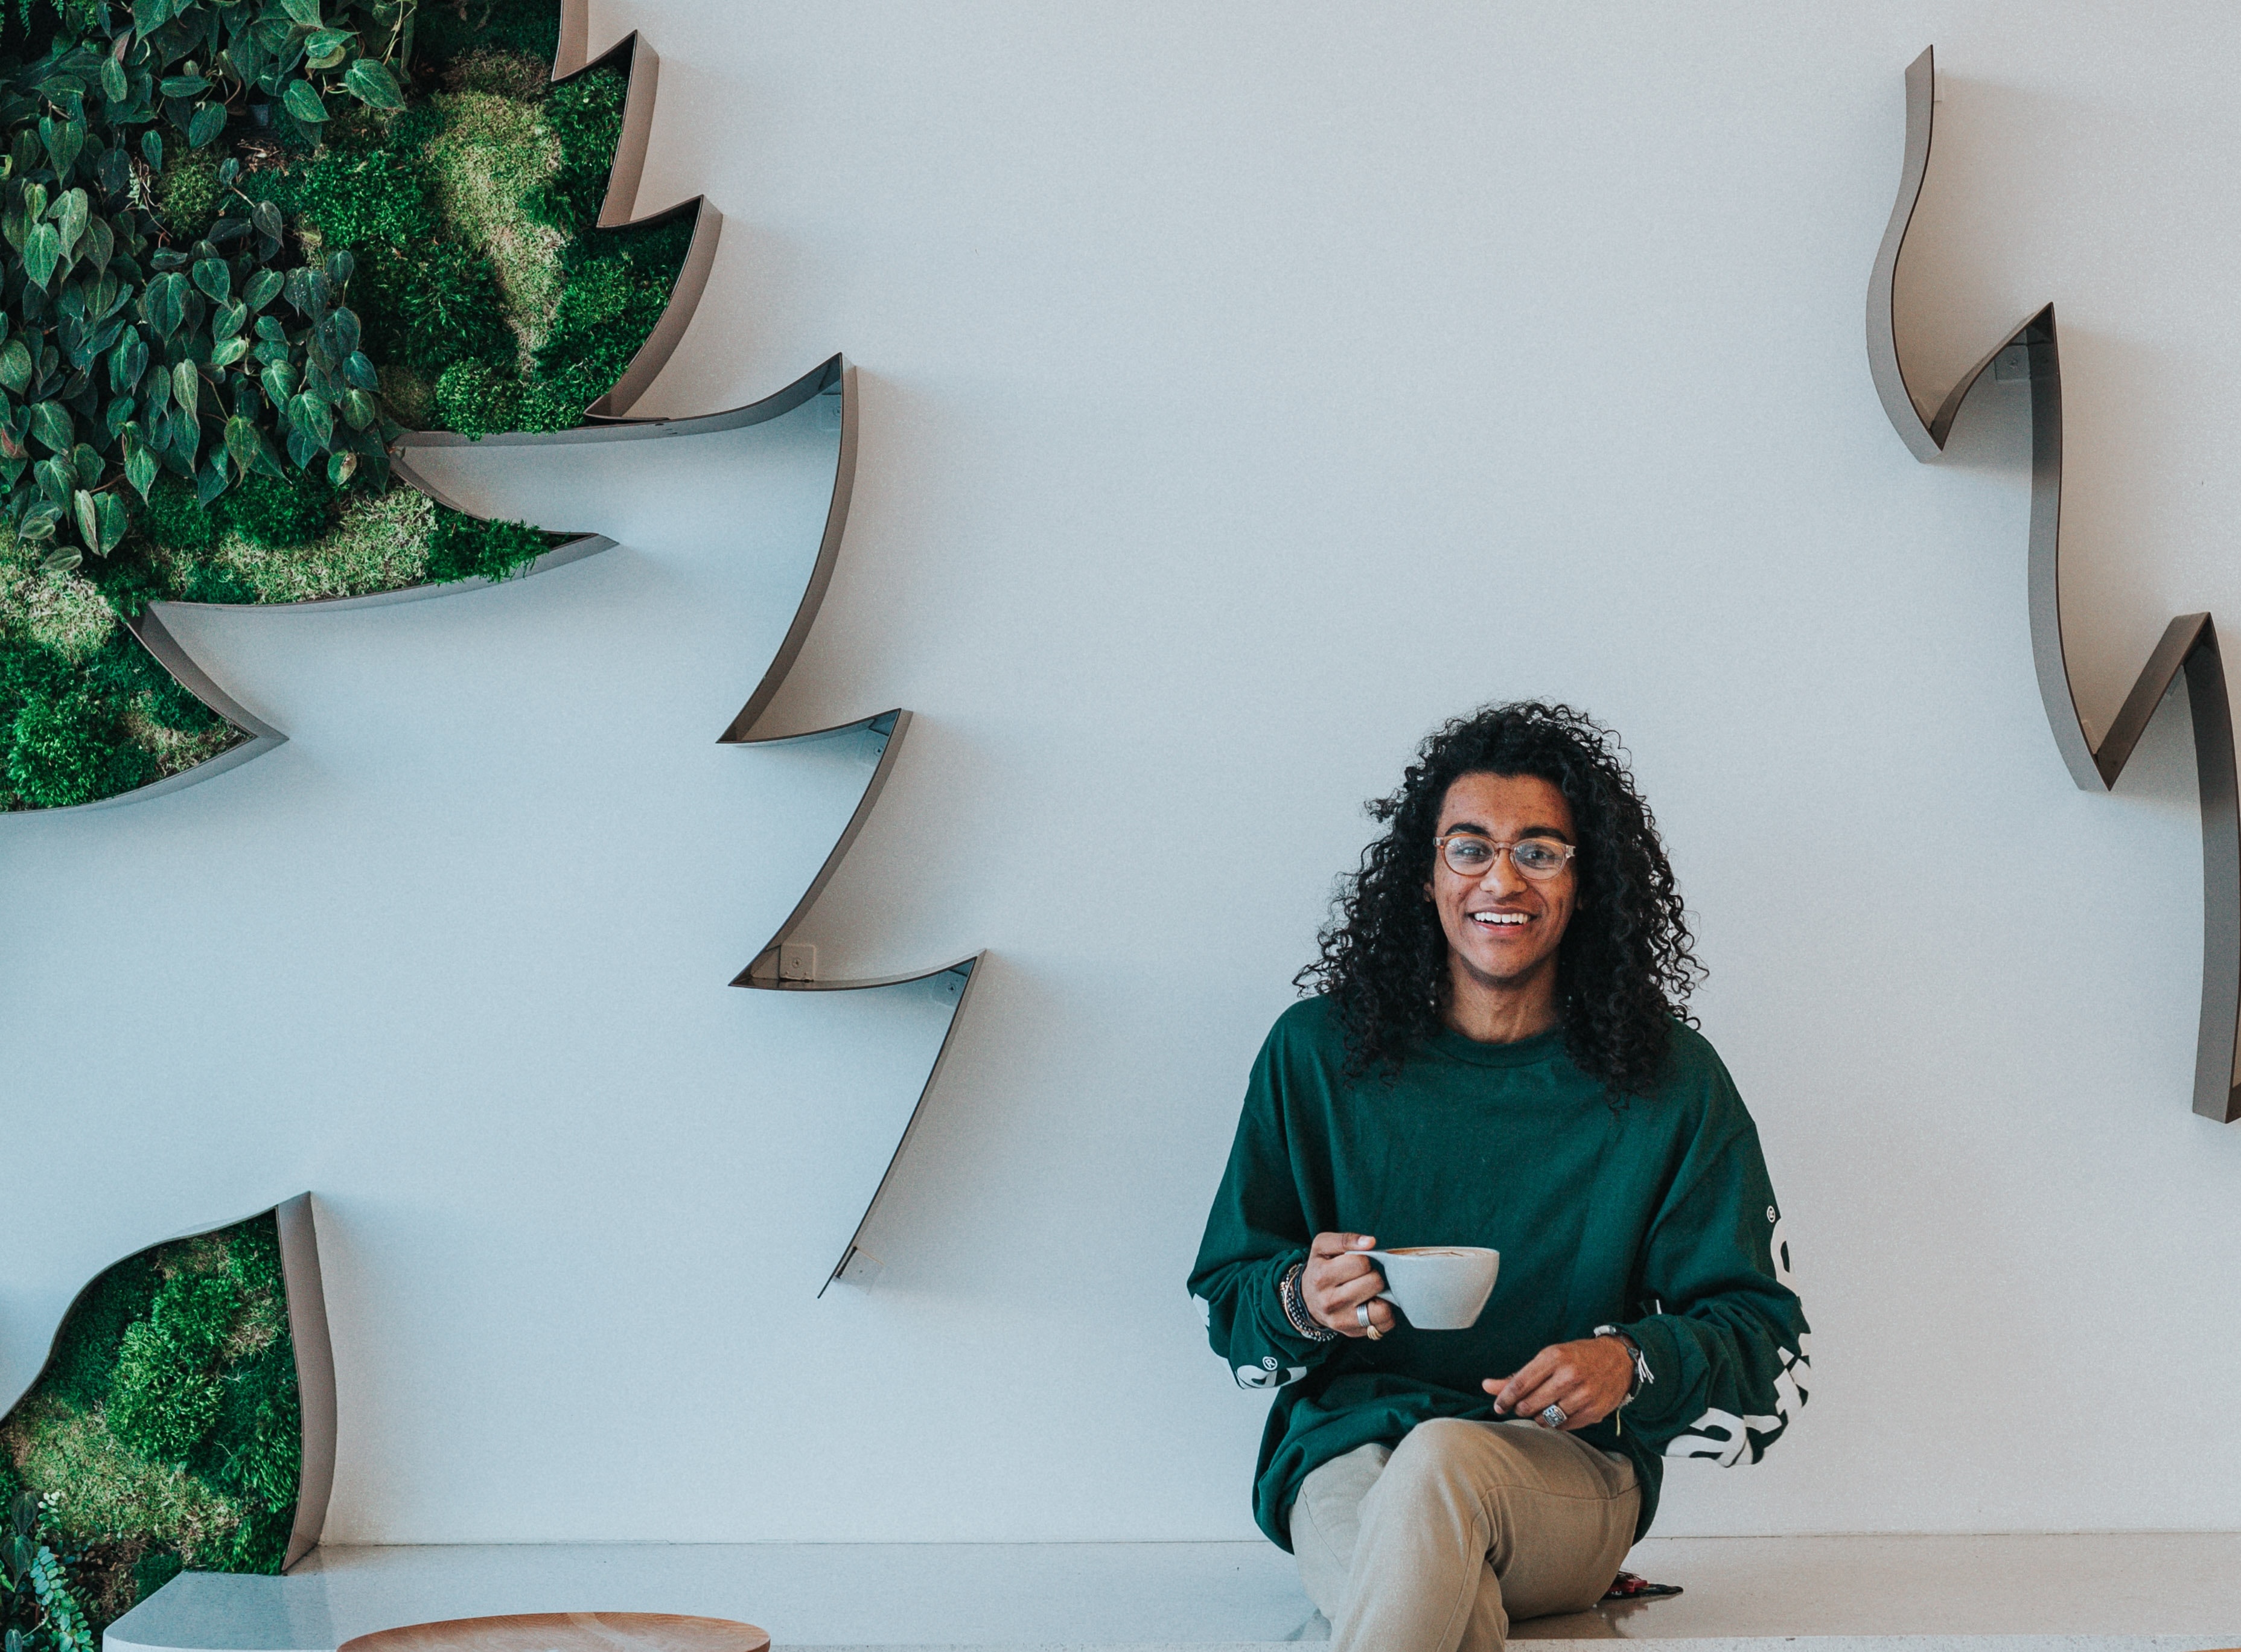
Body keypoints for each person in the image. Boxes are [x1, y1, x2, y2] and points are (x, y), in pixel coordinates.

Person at [1188, 702, 1809, 1652]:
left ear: (1586, 880)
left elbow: (1768, 1342)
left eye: (1542, 851)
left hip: (1566, 1473)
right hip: (1346, 1454)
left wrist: (1632, 1360)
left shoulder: (1668, 1081)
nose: (1501, 879)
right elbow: (1231, 1303)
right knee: (1423, 1581)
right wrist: (1302, 1299)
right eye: (1469, 848)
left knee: (1441, 1470)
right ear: (1426, 875)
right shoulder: (1313, 1055)